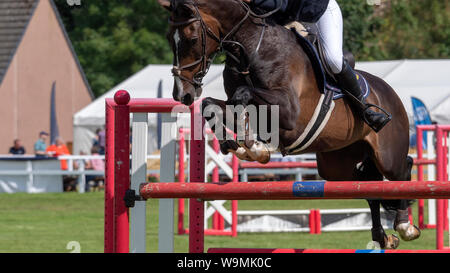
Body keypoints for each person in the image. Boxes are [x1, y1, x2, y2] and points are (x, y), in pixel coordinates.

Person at [242, 0, 390, 132]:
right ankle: (248, 128)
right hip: (286, 19)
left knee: (333, 60)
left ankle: (364, 108)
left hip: (319, 11)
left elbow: (283, 4)